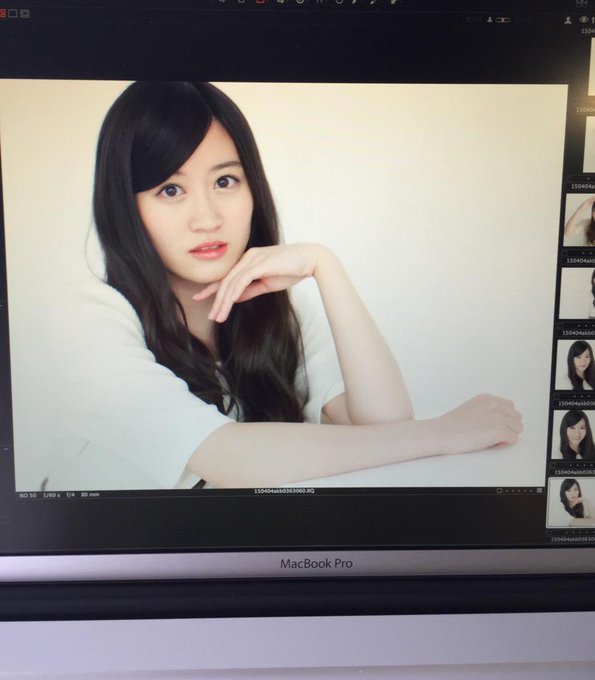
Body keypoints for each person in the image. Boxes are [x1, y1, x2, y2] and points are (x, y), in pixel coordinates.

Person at [45, 81, 523, 490]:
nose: (207, 218)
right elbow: (227, 457)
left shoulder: (279, 312)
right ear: (125, 208)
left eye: (225, 181)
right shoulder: (90, 319)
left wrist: (326, 268)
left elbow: (386, 428)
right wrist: (442, 433)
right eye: (171, 190)